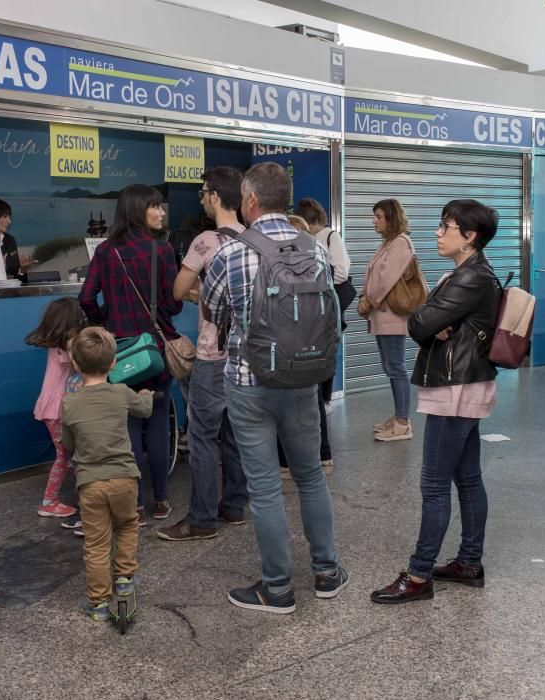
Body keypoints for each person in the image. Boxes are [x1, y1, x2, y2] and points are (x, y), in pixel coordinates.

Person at [203, 162, 348, 614]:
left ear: (249, 200)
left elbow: (211, 308)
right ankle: (327, 572)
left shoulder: (231, 252)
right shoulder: (315, 247)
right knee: (308, 476)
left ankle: (277, 588)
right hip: (304, 379)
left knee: (264, 487)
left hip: (249, 383)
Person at [371, 199, 501, 604]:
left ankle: (419, 574)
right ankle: (468, 562)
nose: (438, 232)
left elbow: (419, 320)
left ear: (470, 236)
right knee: (466, 478)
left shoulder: (470, 277)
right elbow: (427, 319)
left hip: (454, 390)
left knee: (434, 485)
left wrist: (431, 321)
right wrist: (432, 321)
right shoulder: (467, 273)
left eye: (446, 226)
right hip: (463, 384)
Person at [78, 184, 183, 525]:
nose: (161, 212)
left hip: (121, 354)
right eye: (155, 206)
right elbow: (173, 303)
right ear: (139, 209)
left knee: (128, 427)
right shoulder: (162, 249)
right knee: (157, 422)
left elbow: (85, 297)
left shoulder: (106, 251)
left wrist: (107, 321)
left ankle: (135, 503)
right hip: (155, 350)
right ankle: (162, 500)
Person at [157, 167, 248, 542]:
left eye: (202, 192)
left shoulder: (205, 241)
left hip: (213, 353)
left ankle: (202, 518)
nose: (201, 199)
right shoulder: (252, 237)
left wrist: (199, 293)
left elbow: (178, 290)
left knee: (202, 435)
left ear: (213, 196)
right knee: (236, 432)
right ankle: (234, 506)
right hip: (244, 354)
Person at [61, 327, 154, 620]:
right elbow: (145, 411)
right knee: (127, 525)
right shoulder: (121, 392)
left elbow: (68, 443)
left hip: (90, 484)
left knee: (96, 542)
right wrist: (148, 395)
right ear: (113, 362)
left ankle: (99, 603)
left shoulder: (70, 402)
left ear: (75, 364)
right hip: (125, 478)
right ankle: (125, 578)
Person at [356, 198, 420, 442]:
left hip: (392, 315)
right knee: (391, 367)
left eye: (379, 216)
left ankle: (403, 422)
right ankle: (399, 416)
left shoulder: (401, 243)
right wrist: (366, 297)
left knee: (396, 367)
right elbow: (375, 276)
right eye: (375, 216)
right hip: (382, 315)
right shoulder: (388, 243)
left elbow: (386, 281)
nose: (374, 221)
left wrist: (368, 300)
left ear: (391, 218)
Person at [25, 298, 85, 519]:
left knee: (69, 454)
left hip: (53, 408)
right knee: (67, 455)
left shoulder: (55, 344)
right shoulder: (66, 347)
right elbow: (82, 363)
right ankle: (49, 501)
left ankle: (81, 494)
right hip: (59, 409)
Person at [287, 209, 337, 474]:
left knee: (288, 401)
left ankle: (287, 462)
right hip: (317, 337)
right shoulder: (319, 257)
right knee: (314, 399)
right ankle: (324, 455)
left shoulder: (282, 263)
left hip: (291, 339)